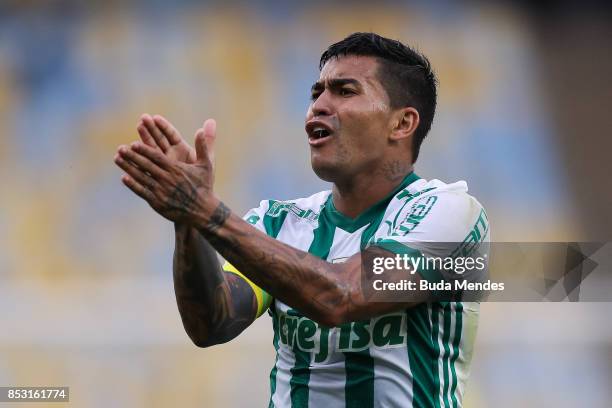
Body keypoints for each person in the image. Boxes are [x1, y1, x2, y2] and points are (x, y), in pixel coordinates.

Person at [114, 32, 490, 408]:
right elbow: (212, 323)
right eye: (316, 93)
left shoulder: (449, 213)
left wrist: (205, 212)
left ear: (402, 123)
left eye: (344, 91)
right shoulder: (277, 222)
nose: (318, 107)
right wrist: (188, 224)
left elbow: (342, 297)